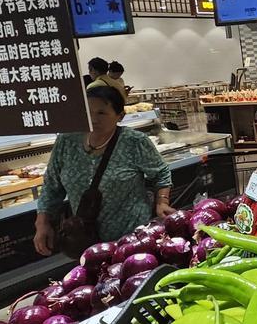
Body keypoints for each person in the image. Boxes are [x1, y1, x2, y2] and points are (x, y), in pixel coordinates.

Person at [34, 84, 174, 252]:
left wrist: (162, 202)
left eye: (101, 113)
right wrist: (42, 222)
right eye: (88, 112)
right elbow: (51, 186)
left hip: (133, 239)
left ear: (120, 116)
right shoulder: (67, 141)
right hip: (85, 240)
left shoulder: (134, 142)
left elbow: (161, 173)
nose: (93, 119)